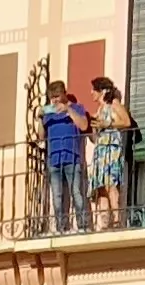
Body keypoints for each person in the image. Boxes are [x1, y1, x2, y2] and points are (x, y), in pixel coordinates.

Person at [42, 81, 91, 236]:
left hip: (72, 157)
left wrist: (68, 109)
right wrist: (39, 119)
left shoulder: (77, 108)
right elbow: (40, 136)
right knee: (57, 195)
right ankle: (61, 227)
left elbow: (84, 126)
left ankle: (82, 225)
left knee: (76, 192)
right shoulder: (49, 113)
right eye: (52, 97)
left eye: (57, 96)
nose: (55, 100)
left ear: (64, 93)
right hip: (54, 159)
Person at [87, 77, 133, 229]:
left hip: (111, 150)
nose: (91, 92)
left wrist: (108, 123)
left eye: (94, 89)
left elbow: (126, 122)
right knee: (101, 187)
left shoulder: (114, 104)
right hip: (100, 150)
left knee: (111, 185)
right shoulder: (99, 110)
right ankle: (105, 223)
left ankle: (117, 220)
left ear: (102, 91)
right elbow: (96, 137)